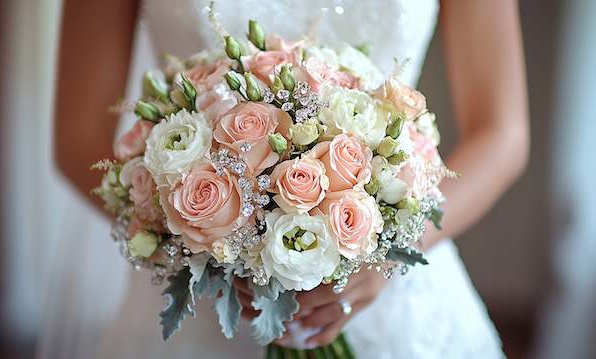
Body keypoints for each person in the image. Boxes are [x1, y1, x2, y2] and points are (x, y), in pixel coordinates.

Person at [44, 0, 529, 358]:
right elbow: (77, 140)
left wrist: (389, 247)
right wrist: (204, 241)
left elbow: (502, 133)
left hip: (391, 296)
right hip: (202, 295)